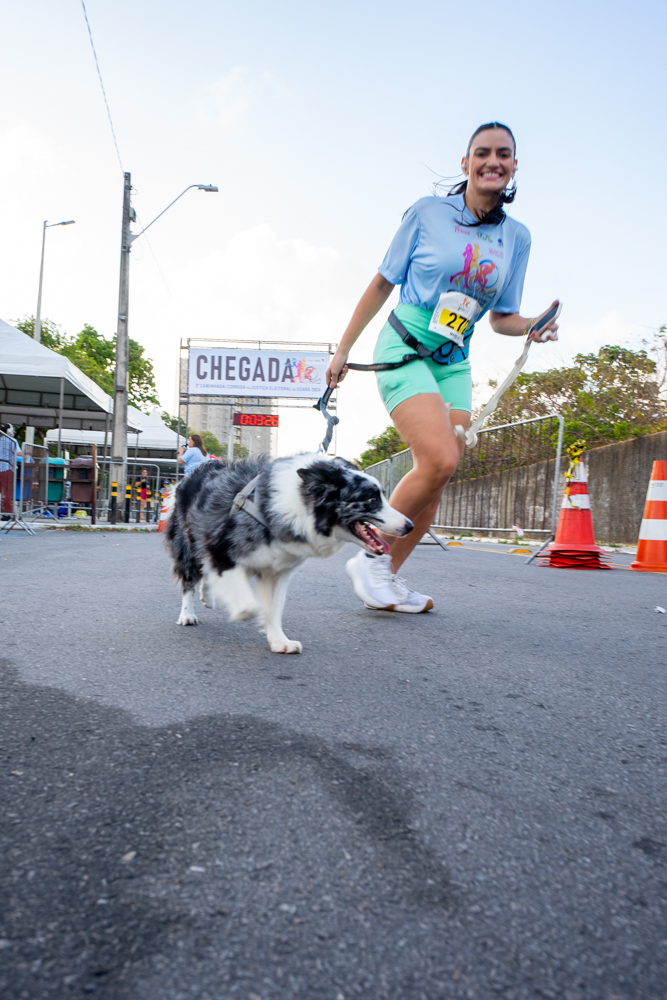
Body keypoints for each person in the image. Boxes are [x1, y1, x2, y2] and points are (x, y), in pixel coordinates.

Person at [325, 122, 559, 614]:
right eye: (482, 153)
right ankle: (372, 560)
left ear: (514, 165)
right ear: (466, 163)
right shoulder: (429, 213)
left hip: (453, 362)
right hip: (405, 345)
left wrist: (534, 324)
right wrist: (343, 348)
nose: (493, 161)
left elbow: (501, 319)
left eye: (503, 154)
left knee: (438, 473)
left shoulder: (517, 237)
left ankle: (385, 577)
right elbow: (382, 283)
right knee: (441, 459)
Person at [0, 423, 19, 515]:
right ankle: (6, 513)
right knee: (7, 492)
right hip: (7, 468)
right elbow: (19, 453)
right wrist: (26, 452)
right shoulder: (12, 440)